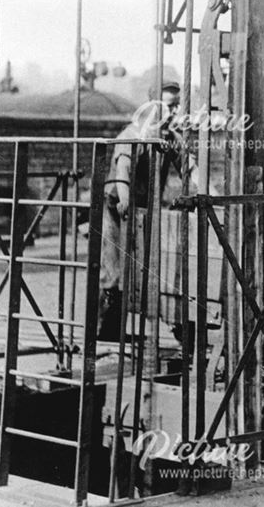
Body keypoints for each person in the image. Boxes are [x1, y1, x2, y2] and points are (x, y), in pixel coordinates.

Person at [98, 79, 192, 340]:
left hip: (144, 209)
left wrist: (213, 198)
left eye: (176, 107)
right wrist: (125, 197)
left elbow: (189, 168)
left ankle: (123, 331)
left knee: (146, 269)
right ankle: (105, 335)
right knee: (114, 271)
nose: (173, 112)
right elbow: (123, 167)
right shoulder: (133, 133)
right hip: (116, 207)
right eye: (168, 106)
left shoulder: (169, 137)